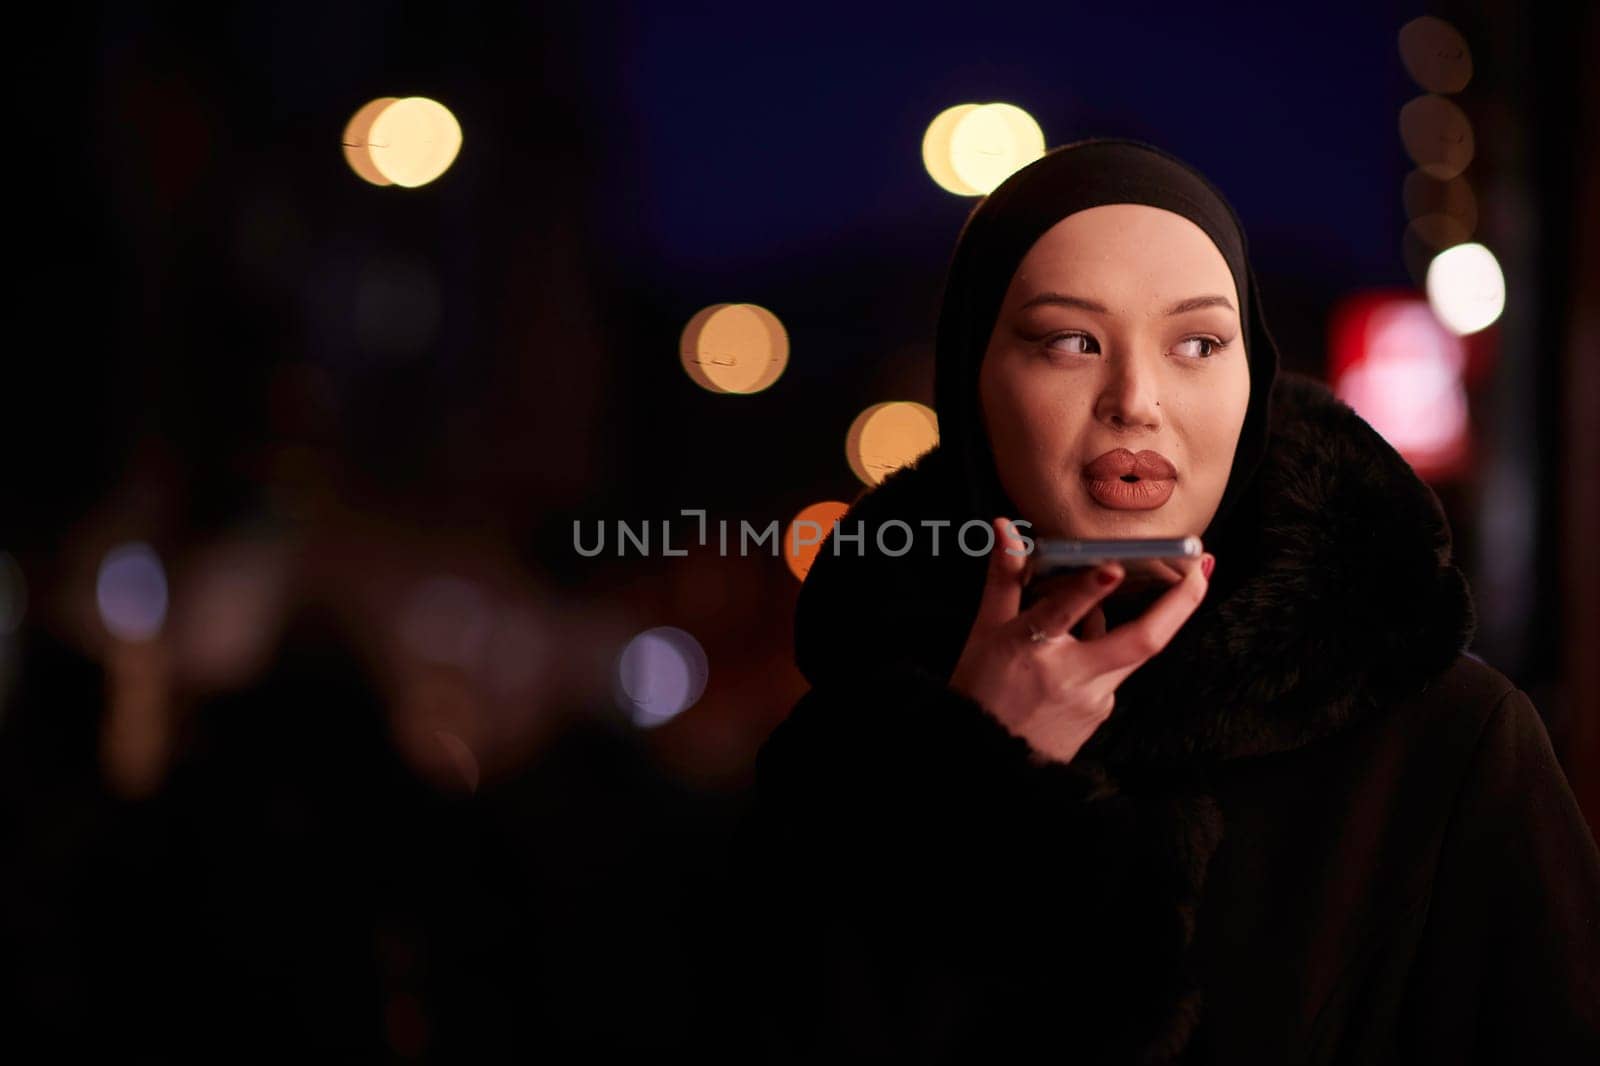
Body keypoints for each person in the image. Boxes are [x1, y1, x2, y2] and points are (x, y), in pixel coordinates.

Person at [733, 138, 1600, 1064]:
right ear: (972, 384)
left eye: (1198, 343)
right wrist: (974, 781)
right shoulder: (847, 755)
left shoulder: (1445, 740)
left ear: (1252, 382)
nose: (1136, 399)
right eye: (1070, 340)